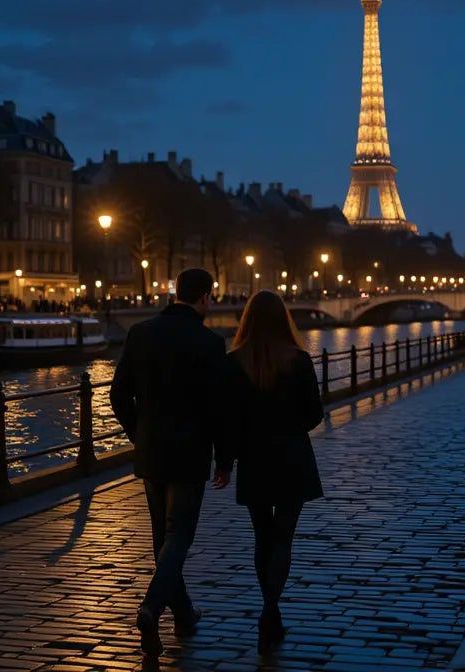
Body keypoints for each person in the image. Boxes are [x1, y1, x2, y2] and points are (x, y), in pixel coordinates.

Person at [109, 267, 233, 659]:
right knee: (179, 535)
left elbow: (117, 395)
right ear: (206, 298)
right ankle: (151, 607)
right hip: (191, 453)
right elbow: (219, 410)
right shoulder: (210, 343)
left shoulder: (141, 333)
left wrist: (138, 432)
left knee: (163, 537)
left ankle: (182, 613)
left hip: (151, 452)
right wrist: (224, 459)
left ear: (175, 292)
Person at [222, 290, 324, 653]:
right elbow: (314, 414)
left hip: (254, 458)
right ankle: (270, 611)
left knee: (262, 537)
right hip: (292, 456)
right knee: (284, 537)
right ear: (284, 319)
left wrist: (224, 462)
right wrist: (291, 427)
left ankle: (270, 610)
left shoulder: (234, 362)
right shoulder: (299, 360)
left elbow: (228, 421)